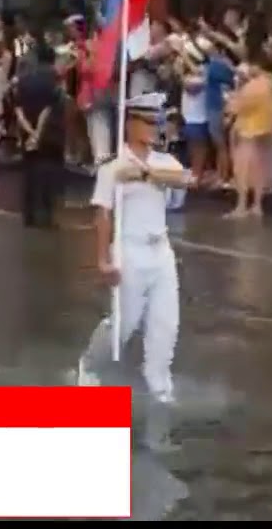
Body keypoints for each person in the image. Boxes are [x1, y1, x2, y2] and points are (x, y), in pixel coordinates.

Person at [78, 92, 195, 403]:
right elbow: (102, 214)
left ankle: (159, 381)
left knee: (166, 322)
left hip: (161, 249)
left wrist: (144, 173)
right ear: (130, 124)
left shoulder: (162, 161)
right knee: (123, 323)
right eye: (147, 121)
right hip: (129, 249)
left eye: (157, 121)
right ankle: (90, 365)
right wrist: (103, 260)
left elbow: (186, 178)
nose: (155, 128)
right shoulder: (113, 167)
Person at [15, 42, 66, 228]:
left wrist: (29, 131)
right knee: (49, 173)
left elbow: (18, 109)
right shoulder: (54, 80)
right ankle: (47, 214)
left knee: (29, 172)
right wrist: (38, 132)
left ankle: (29, 215)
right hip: (51, 133)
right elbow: (49, 109)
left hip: (26, 132)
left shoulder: (24, 79)